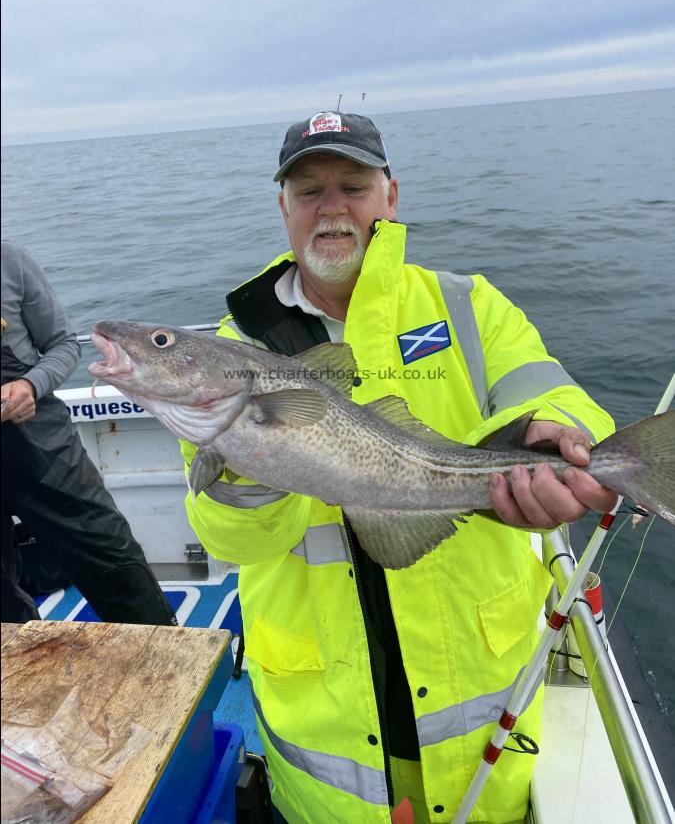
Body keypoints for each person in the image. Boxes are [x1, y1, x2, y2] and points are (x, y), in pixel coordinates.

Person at [180, 112, 616, 823]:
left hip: (479, 714)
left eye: (353, 185)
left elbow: (551, 390)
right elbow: (232, 543)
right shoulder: (233, 348)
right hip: (325, 724)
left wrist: (570, 434)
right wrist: (252, 458)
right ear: (281, 207)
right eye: (308, 190)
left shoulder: (468, 305)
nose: (331, 207)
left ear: (390, 196)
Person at [1, 241, 177, 626]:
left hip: (40, 444)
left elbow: (63, 345)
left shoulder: (9, 262)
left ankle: (165, 656)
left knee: (111, 558)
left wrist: (31, 385)